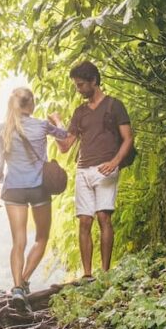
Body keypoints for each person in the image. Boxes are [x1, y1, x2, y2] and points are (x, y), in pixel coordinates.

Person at [52, 61, 133, 279]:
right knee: (85, 220)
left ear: (93, 81)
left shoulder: (114, 105)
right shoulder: (80, 112)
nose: (78, 90)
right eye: (76, 85)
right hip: (83, 171)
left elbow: (128, 138)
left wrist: (115, 162)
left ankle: (105, 272)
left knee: (103, 217)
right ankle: (87, 275)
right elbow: (66, 145)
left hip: (106, 168)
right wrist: (56, 125)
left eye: (80, 85)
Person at [0, 87, 68, 309]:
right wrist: (57, 120)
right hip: (38, 189)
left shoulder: (2, 129)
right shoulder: (42, 126)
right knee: (41, 238)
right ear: (31, 104)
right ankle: (23, 282)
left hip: (13, 189)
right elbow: (64, 139)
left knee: (18, 241)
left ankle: (16, 288)